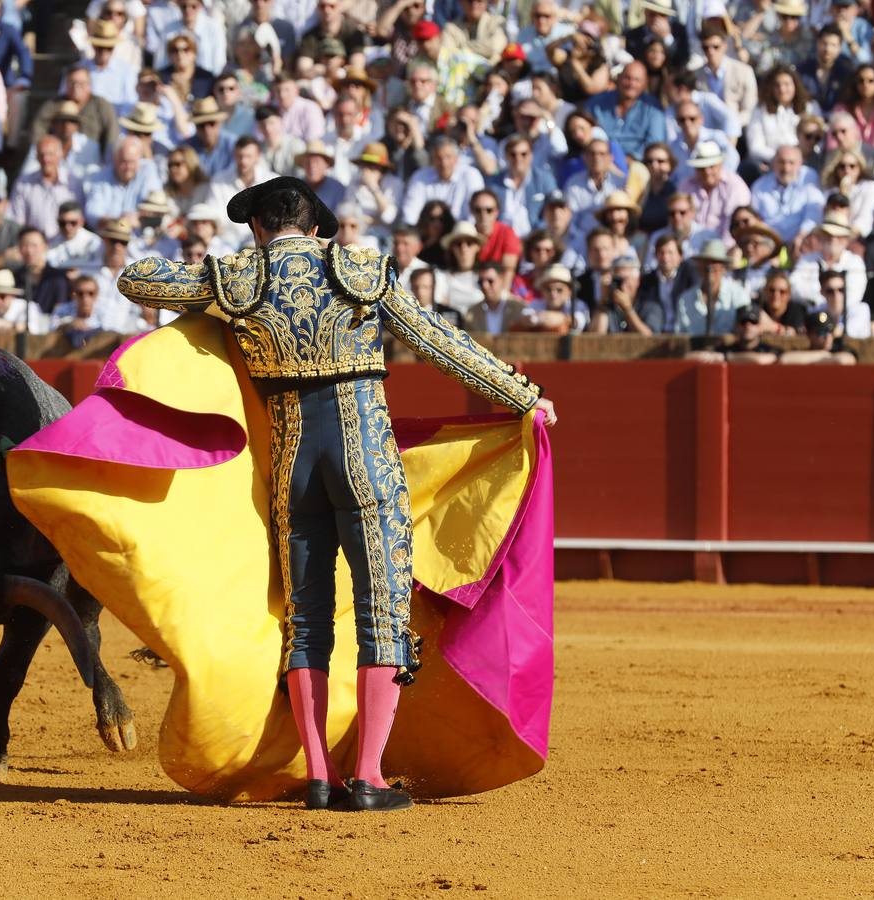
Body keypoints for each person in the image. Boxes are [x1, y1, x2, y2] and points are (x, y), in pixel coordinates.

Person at [115, 176, 553, 812]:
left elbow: (137, 279)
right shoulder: (360, 270)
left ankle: (320, 775)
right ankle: (368, 776)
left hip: (294, 462)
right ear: (317, 227)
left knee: (307, 618)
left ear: (258, 227)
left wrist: (221, 272)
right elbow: (439, 342)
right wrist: (523, 396)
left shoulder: (239, 278)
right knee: (382, 610)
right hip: (364, 457)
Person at [675, 239, 752, 336]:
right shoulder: (685, 299)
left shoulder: (738, 294)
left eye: (715, 262)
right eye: (706, 262)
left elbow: (747, 328)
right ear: (699, 267)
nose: (709, 267)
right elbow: (680, 335)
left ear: (724, 268)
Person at [779, 309, 858, 364]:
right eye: (821, 332)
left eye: (830, 332)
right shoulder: (805, 350)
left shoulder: (840, 348)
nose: (827, 337)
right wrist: (822, 354)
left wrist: (825, 355)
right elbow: (785, 359)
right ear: (809, 335)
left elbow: (843, 360)